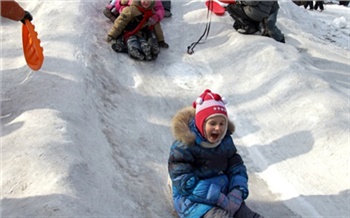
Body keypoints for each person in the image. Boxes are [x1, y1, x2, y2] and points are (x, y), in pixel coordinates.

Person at [168, 89, 264, 218]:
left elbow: (236, 167)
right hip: (194, 200)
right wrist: (217, 197)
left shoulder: (225, 142)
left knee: (249, 216)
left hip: (224, 193)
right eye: (212, 123)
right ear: (201, 124)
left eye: (222, 123)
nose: (218, 128)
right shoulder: (184, 146)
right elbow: (184, 182)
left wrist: (237, 191)